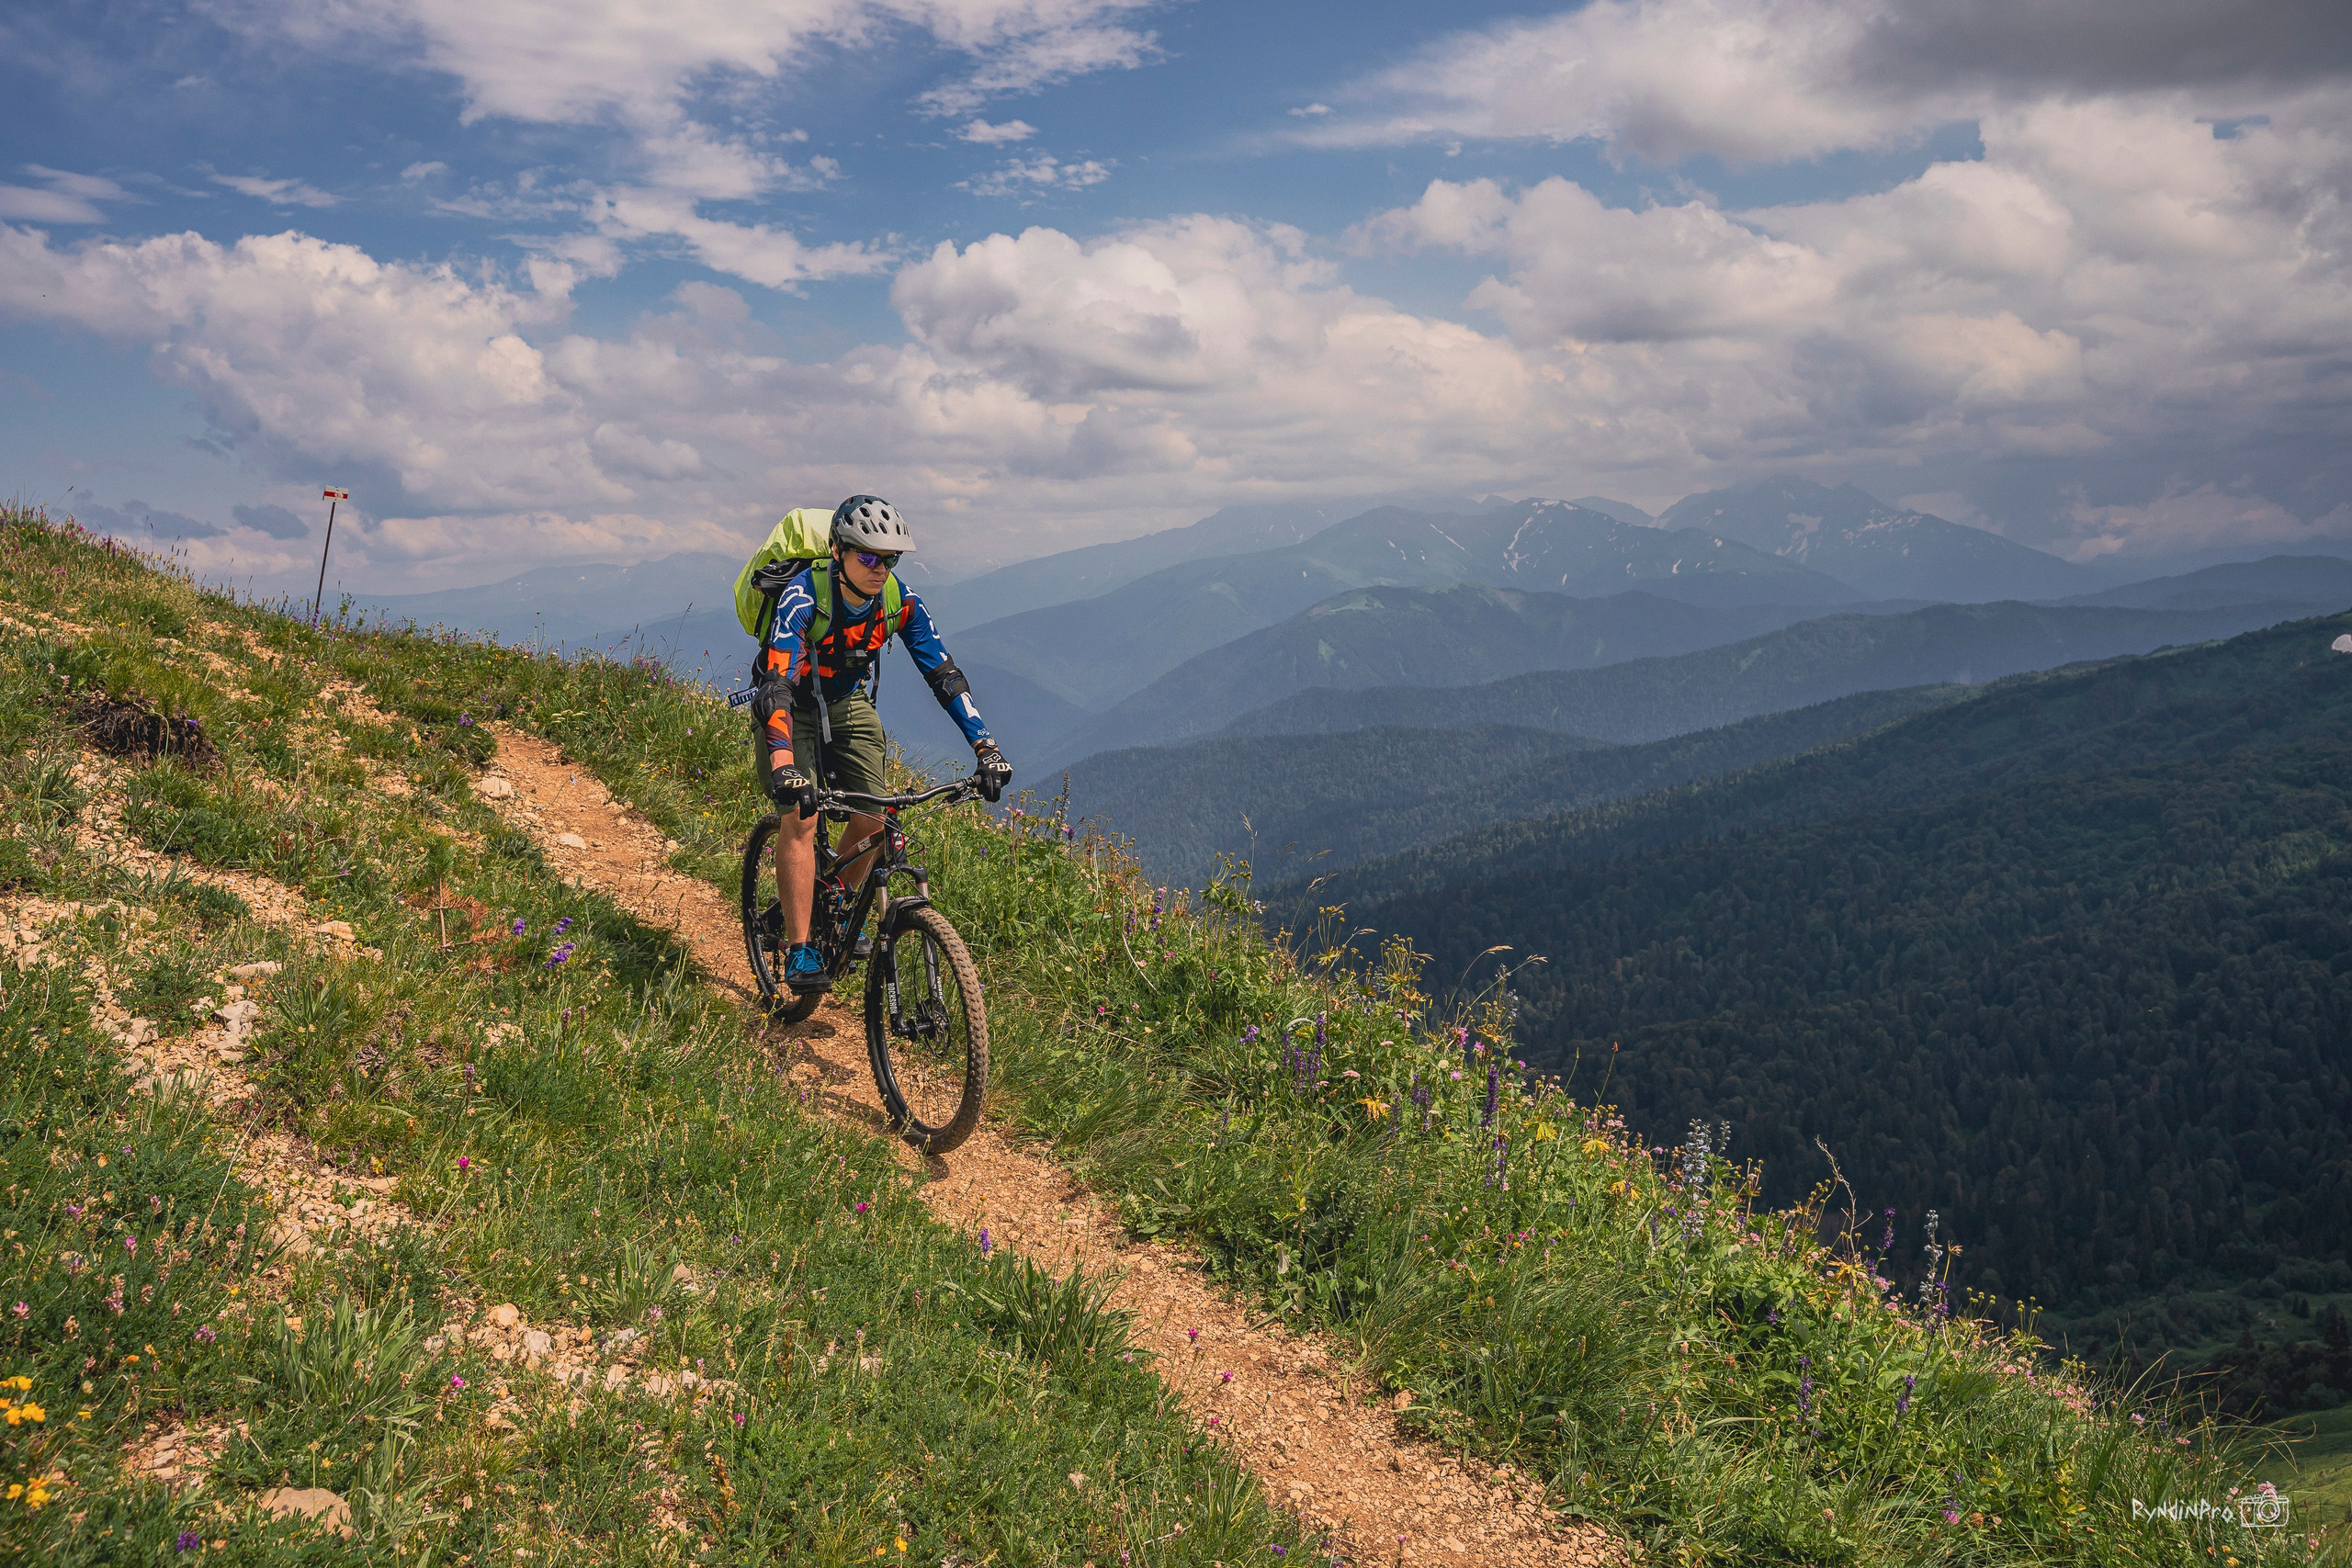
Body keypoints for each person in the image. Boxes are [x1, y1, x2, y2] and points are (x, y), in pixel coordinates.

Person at [752, 495, 1012, 989]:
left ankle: (828, 895)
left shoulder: (900, 602)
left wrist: (986, 746)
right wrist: (785, 763)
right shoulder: (804, 597)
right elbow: (777, 684)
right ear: (837, 551)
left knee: (877, 814)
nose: (880, 569)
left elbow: (944, 675)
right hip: (794, 707)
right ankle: (800, 947)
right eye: (868, 556)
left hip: (847, 703)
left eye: (889, 558)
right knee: (801, 818)